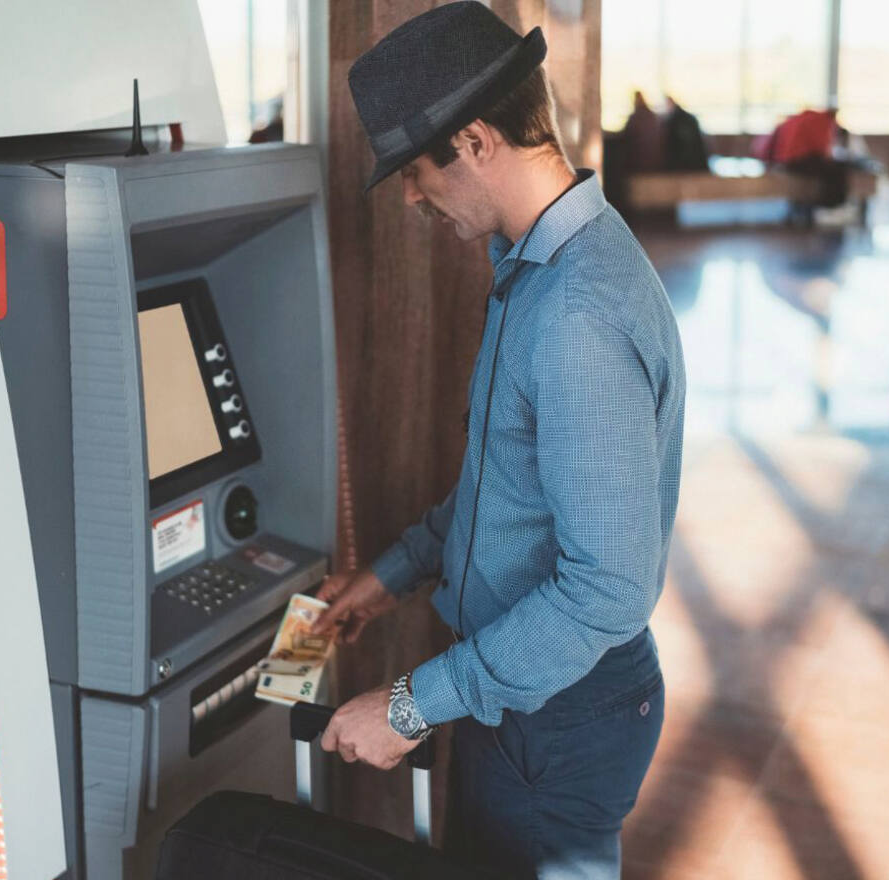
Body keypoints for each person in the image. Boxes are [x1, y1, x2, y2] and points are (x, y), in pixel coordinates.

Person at [310, 4, 686, 878]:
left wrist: (408, 705)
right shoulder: (540, 268)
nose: (409, 196)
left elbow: (604, 591)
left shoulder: (575, 314)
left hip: (556, 713)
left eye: (413, 170)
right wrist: (394, 571)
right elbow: (508, 486)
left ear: (476, 142)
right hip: (528, 694)